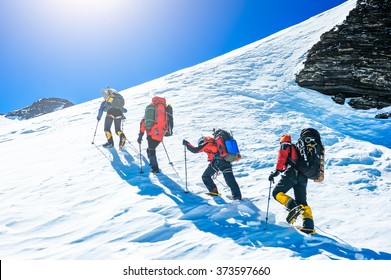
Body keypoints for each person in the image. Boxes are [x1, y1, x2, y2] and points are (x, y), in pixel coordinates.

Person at [268, 133, 315, 234]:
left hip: (292, 173)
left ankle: (293, 207)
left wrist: (276, 171)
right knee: (302, 201)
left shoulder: (285, 145)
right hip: (303, 176)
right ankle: (309, 226)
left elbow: (282, 158)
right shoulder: (298, 149)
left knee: (276, 193)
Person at [183, 135, 242, 200]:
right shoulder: (216, 144)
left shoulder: (208, 143)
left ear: (202, 141)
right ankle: (237, 196)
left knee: (205, 176)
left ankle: (214, 191)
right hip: (227, 161)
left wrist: (187, 144)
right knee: (230, 179)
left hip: (218, 162)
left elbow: (194, 150)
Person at [137, 96, 170, 173]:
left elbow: (143, 123)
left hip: (151, 133)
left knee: (152, 151)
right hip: (161, 134)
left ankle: (155, 168)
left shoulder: (150, 108)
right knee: (150, 149)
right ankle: (151, 162)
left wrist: (140, 135)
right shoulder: (163, 109)